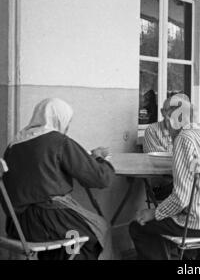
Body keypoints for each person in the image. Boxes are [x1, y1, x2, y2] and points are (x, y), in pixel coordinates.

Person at [1, 98, 115, 260]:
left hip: (18, 225)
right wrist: (99, 158)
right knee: (100, 229)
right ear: (59, 119)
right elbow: (100, 178)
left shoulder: (14, 144)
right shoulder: (57, 142)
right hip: (49, 222)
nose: (67, 127)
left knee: (71, 240)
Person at [128, 95, 200, 260]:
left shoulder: (184, 139)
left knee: (138, 226)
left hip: (198, 225)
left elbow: (180, 198)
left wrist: (154, 213)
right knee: (165, 219)